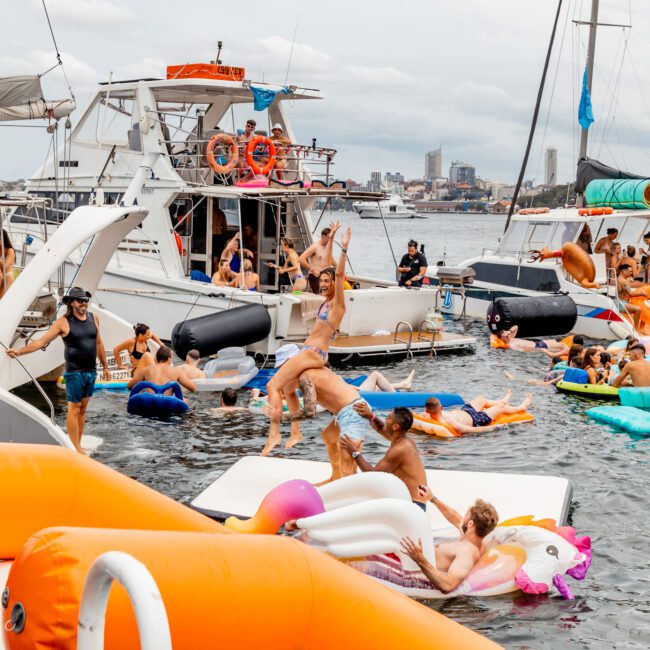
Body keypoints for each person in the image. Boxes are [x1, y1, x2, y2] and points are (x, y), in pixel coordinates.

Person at [264, 224, 350, 455]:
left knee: (272, 385)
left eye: (326, 282)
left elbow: (338, 273)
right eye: (320, 281)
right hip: (313, 351)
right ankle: (295, 432)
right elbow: (327, 264)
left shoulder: (337, 304)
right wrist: (330, 239)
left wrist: (344, 248)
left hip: (314, 353)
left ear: (334, 284)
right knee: (289, 389)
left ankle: (274, 435)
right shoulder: (325, 300)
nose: (322, 284)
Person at [5, 286, 110, 453]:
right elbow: (41, 342)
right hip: (74, 372)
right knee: (73, 408)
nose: (84, 303)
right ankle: (75, 448)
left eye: (86, 300)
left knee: (83, 408)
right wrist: (19, 351)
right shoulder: (63, 322)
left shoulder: (94, 318)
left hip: (91, 371)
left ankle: (78, 444)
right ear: (72, 303)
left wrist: (105, 366)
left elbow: (99, 343)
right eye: (80, 300)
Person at [275, 362, 371, 478]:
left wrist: (279, 417)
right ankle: (335, 477)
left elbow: (309, 412)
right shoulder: (318, 369)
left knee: (347, 469)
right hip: (348, 411)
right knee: (329, 436)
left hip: (354, 412)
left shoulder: (305, 377)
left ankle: (351, 491)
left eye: (283, 369)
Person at [400, 485, 499, 594]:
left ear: (470, 524)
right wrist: (432, 498)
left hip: (414, 568)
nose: (463, 517)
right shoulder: (472, 537)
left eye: (466, 515)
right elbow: (455, 517)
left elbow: (448, 585)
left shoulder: (467, 553)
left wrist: (419, 558)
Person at [339, 405, 429, 510]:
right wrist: (371, 416)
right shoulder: (403, 439)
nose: (386, 419)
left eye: (389, 417)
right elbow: (381, 428)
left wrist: (354, 452)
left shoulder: (401, 449)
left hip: (414, 506)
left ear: (395, 427)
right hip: (412, 502)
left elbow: (373, 474)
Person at [423, 391, 532, 435]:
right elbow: (474, 430)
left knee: (481, 399)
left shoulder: (426, 415)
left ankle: (502, 400)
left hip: (465, 410)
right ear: (441, 407)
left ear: (426, 410)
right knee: (501, 408)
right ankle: (521, 407)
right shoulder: (450, 422)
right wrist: (495, 427)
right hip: (477, 419)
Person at [127, 346, 196, 396]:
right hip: (166, 405)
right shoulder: (176, 371)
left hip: (149, 403)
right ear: (169, 359)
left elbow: (129, 386)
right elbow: (193, 388)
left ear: (156, 358)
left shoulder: (146, 370)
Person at [496, 325, 570, 359]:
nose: (506, 334)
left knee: (560, 345)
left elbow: (516, 327)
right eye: (504, 334)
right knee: (561, 345)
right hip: (536, 347)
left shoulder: (511, 337)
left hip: (536, 343)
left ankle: (571, 352)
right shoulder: (507, 345)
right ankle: (572, 353)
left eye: (506, 333)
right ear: (502, 337)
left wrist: (509, 331)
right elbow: (504, 348)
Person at [298, 227, 335, 293]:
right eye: (329, 238)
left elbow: (332, 260)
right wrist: (312, 269)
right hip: (316, 276)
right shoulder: (315, 247)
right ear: (323, 236)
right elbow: (301, 259)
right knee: (321, 296)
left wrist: (342, 271)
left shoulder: (327, 247)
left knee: (329, 295)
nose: (330, 241)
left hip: (326, 275)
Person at [616, 264, 645, 329]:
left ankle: (641, 328)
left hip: (623, 301)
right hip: (622, 303)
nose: (631, 273)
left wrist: (629, 279)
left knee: (643, 307)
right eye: (630, 272)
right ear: (623, 271)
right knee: (638, 309)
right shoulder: (624, 281)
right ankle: (635, 329)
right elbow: (631, 293)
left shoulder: (621, 278)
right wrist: (642, 293)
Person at [0, 229, 15, 299]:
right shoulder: (0, 249)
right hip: (2, 278)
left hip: (8, 277)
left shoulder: (10, 250)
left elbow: (4, 266)